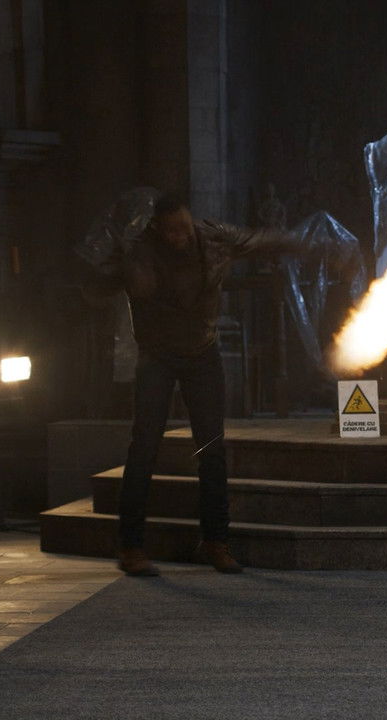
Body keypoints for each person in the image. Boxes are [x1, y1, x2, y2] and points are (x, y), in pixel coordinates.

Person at [87, 193, 290, 577]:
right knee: (144, 447)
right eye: (172, 232)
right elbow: (96, 286)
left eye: (184, 227)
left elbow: (260, 240)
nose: (181, 236)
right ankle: (131, 547)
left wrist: (315, 246)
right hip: (157, 356)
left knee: (212, 448)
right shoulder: (140, 250)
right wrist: (120, 265)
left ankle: (216, 542)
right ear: (158, 229)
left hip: (202, 352)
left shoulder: (211, 238)